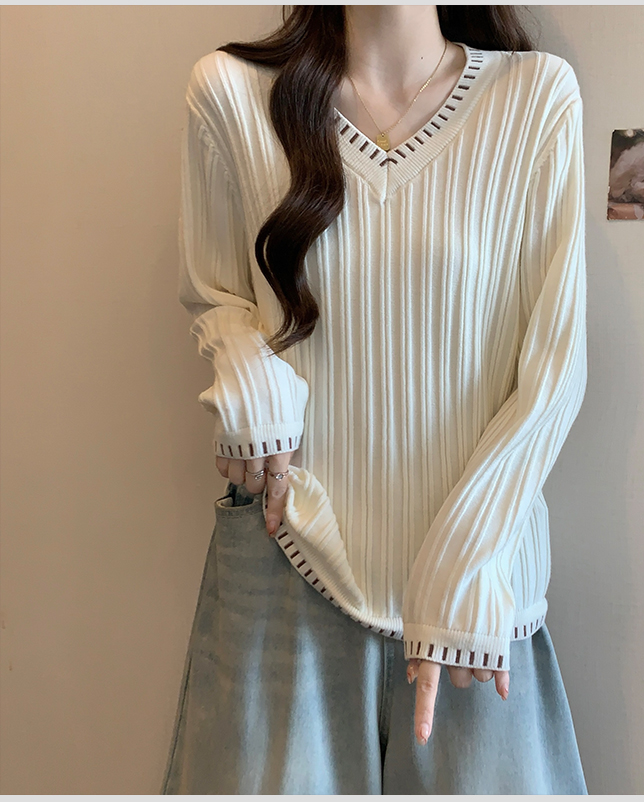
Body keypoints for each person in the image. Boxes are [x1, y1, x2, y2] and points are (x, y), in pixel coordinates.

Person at [162, 5, 589, 795]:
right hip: (289, 552)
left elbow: (555, 365)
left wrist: (469, 559)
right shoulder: (232, 92)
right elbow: (214, 292)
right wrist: (248, 373)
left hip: (478, 580)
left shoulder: (533, 95)